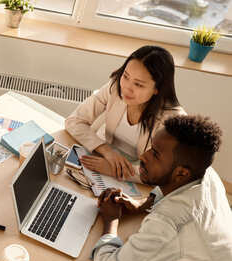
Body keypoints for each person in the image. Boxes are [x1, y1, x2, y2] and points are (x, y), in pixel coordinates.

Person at [91, 114, 232, 261]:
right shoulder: (206, 175)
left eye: (155, 154)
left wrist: (111, 220)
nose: (143, 156)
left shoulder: (170, 222)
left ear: (181, 173)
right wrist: (142, 203)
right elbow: (166, 188)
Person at [65, 45, 185, 182]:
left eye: (138, 84)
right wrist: (106, 151)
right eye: (126, 76)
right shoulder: (115, 87)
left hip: (134, 178)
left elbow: (163, 172)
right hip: (105, 159)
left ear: (157, 88)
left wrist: (117, 171)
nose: (127, 88)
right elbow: (74, 121)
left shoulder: (172, 120)